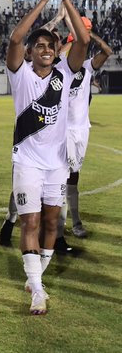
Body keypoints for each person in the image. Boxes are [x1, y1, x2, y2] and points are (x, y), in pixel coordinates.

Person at [5, 0, 89, 315]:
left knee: (53, 223)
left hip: (56, 163)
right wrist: (42, 1)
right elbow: (14, 40)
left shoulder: (65, 74)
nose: (44, 49)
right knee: (31, 223)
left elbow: (82, 42)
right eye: (38, 45)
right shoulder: (19, 73)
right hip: (26, 161)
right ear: (31, 52)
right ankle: (37, 290)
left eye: (50, 46)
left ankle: (37, 275)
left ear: (56, 52)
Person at [60, 22, 114, 239]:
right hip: (62, 130)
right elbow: (59, 51)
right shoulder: (60, 65)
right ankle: (65, 223)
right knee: (59, 176)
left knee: (73, 177)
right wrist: (71, 39)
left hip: (82, 130)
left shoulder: (88, 66)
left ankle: (72, 221)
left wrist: (92, 35)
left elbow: (108, 51)